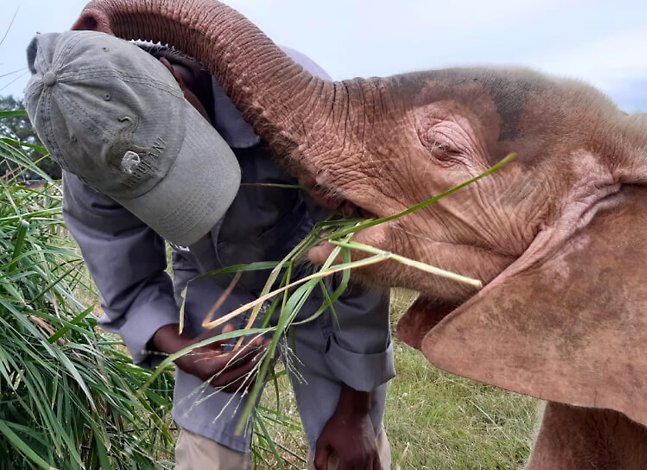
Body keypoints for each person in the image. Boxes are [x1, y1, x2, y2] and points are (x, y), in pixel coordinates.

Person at [24, 30, 394, 470]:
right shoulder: (86, 150)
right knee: (206, 452)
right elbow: (126, 281)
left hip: (318, 279)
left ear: (177, 82)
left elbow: (354, 256)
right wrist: (185, 350)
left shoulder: (287, 91)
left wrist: (355, 411)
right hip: (213, 281)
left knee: (351, 451)